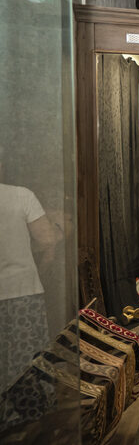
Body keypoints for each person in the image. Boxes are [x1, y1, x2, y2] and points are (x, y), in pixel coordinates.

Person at [0, 143, 58, 393]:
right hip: (22, 292)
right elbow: (47, 240)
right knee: (26, 364)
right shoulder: (21, 196)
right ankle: (28, 410)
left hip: (20, 289)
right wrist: (39, 269)